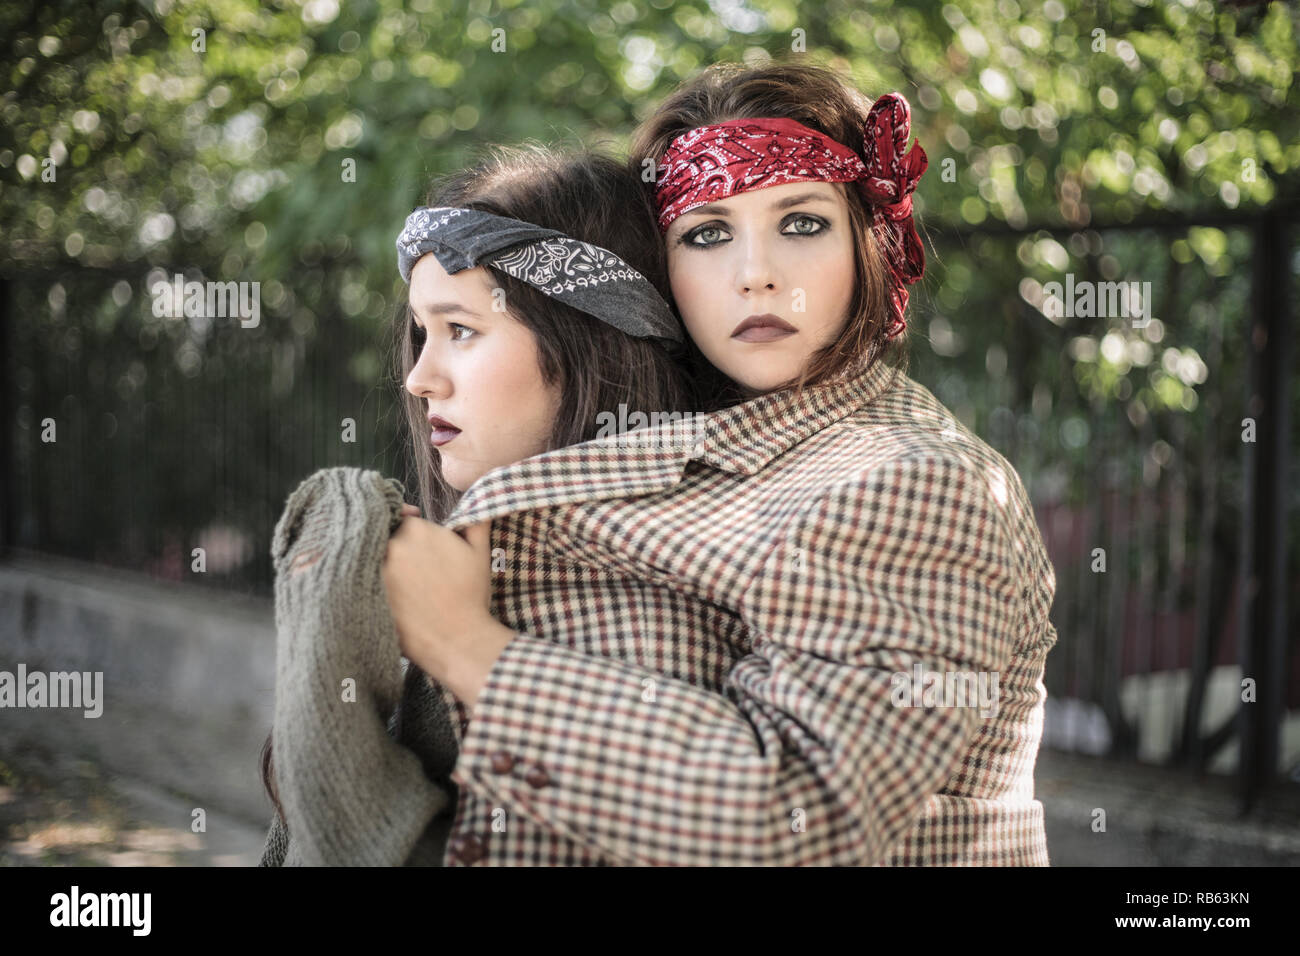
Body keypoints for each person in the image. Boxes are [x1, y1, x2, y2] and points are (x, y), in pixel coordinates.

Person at [387, 61, 1059, 865]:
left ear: (870, 241)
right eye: (706, 234)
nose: (755, 274)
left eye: (802, 223)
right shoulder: (677, 440)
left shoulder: (917, 478)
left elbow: (797, 817)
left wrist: (466, 648)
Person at [258, 142, 695, 862]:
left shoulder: (638, 612)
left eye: (461, 330)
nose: (419, 378)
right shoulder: (483, 566)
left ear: (592, 342)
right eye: (422, 333)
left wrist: (328, 599)